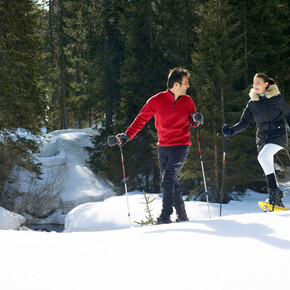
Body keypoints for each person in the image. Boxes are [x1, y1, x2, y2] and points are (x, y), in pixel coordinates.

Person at [116, 67, 204, 224]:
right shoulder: (156, 100)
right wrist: (128, 135)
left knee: (168, 178)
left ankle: (165, 216)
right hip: (163, 146)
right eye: (185, 83)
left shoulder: (188, 101)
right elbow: (141, 119)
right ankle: (182, 216)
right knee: (172, 182)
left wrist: (197, 119)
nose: (188, 86)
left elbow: (192, 121)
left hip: (181, 145)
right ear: (176, 84)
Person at [222, 73, 290, 207]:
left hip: (277, 135)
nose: (255, 86)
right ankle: (276, 200)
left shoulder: (276, 99)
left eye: (258, 83)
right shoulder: (252, 103)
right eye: (254, 83)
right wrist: (231, 130)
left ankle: (274, 193)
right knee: (267, 163)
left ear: (266, 84)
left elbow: (288, 115)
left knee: (263, 157)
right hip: (262, 139)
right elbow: (244, 122)